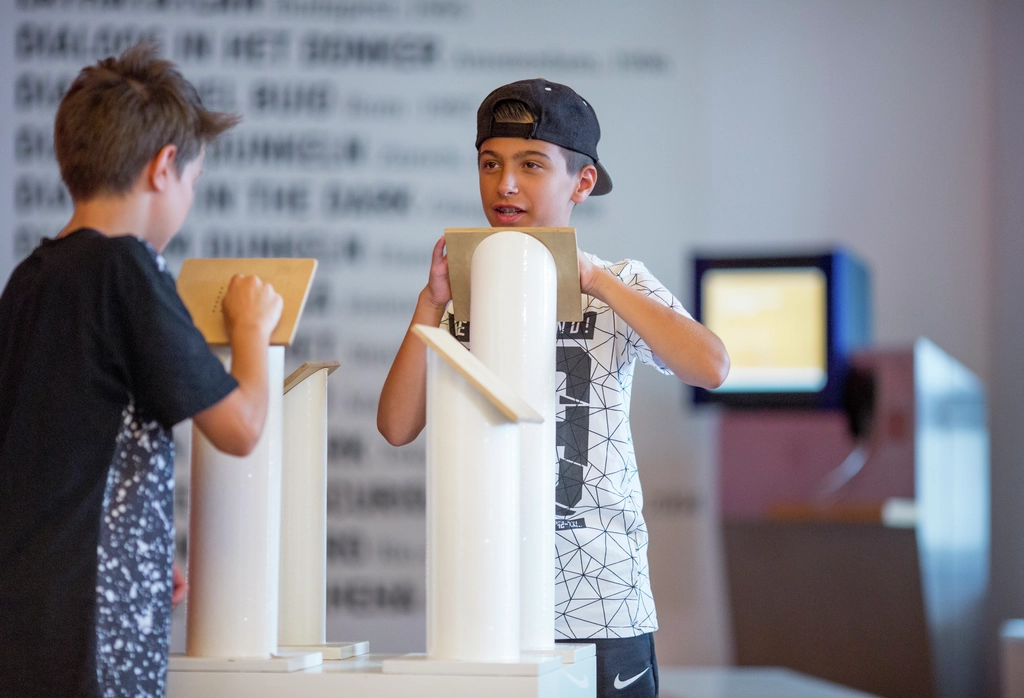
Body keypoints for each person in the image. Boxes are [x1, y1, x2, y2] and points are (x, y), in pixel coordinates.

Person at [377, 78, 730, 698]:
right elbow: (397, 425)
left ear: (583, 182)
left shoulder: (619, 282)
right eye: (490, 164)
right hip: (488, 601)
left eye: (530, 165)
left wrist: (596, 280)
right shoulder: (457, 296)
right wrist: (430, 305)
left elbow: (711, 365)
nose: (505, 184)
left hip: (603, 601)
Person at [0, 42, 283, 698]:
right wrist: (250, 330)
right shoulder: (128, 267)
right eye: (193, 181)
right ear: (164, 168)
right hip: (91, 634)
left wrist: (144, 549)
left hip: (23, 619)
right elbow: (239, 426)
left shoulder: (30, 278)